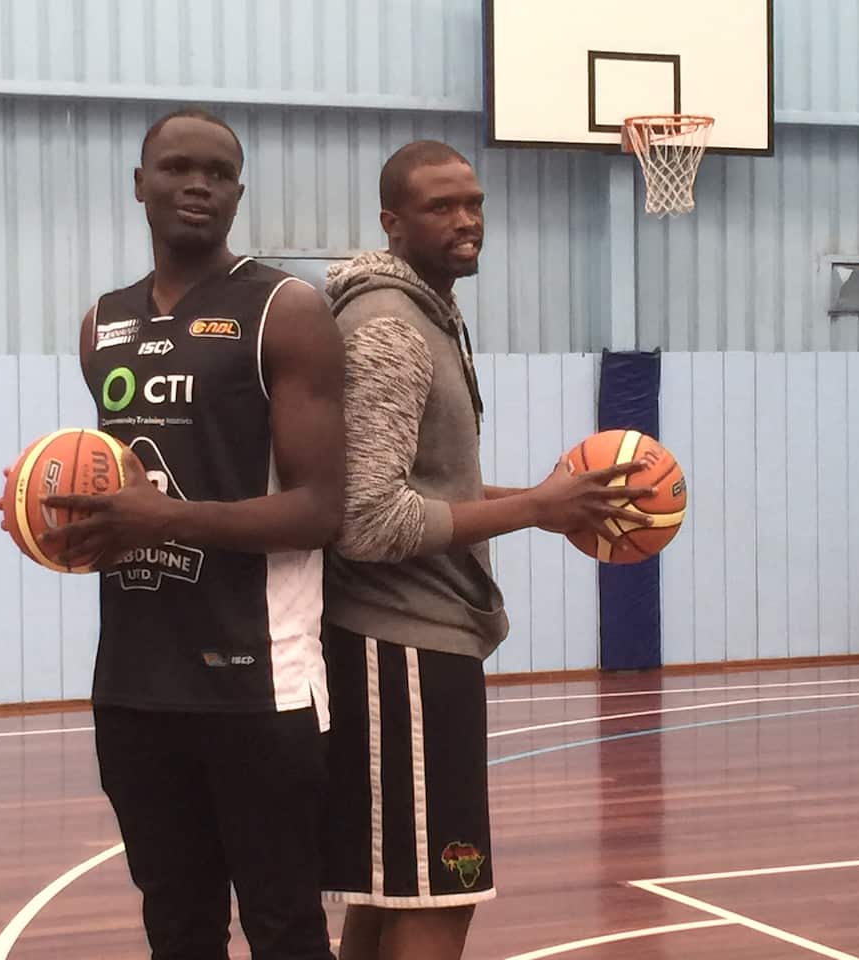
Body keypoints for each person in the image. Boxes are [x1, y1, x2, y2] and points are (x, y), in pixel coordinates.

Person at [0, 108, 343, 960]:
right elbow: (116, 486)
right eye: (178, 167)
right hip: (135, 678)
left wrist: (165, 517)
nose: (198, 185)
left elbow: (322, 510)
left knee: (285, 925)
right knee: (177, 927)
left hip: (259, 677)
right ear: (139, 183)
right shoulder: (103, 325)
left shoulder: (285, 311)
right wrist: (55, 514)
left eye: (219, 174)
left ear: (238, 193)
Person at [318, 140, 654, 960]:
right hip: (398, 643)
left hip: (408, 644)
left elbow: (425, 486)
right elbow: (368, 520)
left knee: (394, 887)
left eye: (473, 202)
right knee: (444, 888)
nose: (467, 220)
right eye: (441, 206)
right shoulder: (391, 329)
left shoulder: (422, 311)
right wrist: (535, 504)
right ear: (392, 223)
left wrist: (544, 506)